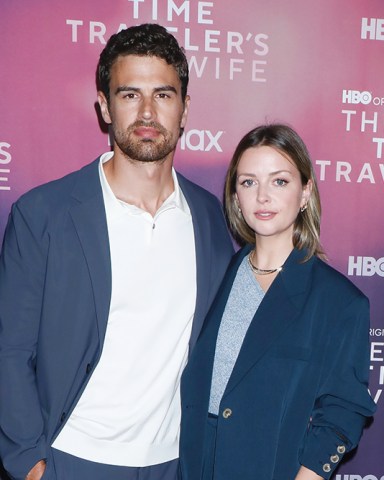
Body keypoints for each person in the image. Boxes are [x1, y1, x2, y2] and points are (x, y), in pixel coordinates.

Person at [0, 23, 234, 480]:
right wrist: (31, 463)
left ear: (185, 109)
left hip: (173, 463)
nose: (147, 111)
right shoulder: (42, 214)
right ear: (105, 107)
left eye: (163, 95)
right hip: (70, 461)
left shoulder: (209, 219)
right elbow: (9, 351)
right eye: (130, 94)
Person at [179, 124, 376, 480]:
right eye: (248, 182)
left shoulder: (340, 303)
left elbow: (343, 411)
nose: (262, 196)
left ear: (305, 193)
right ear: (236, 195)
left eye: (279, 181)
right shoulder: (213, 275)